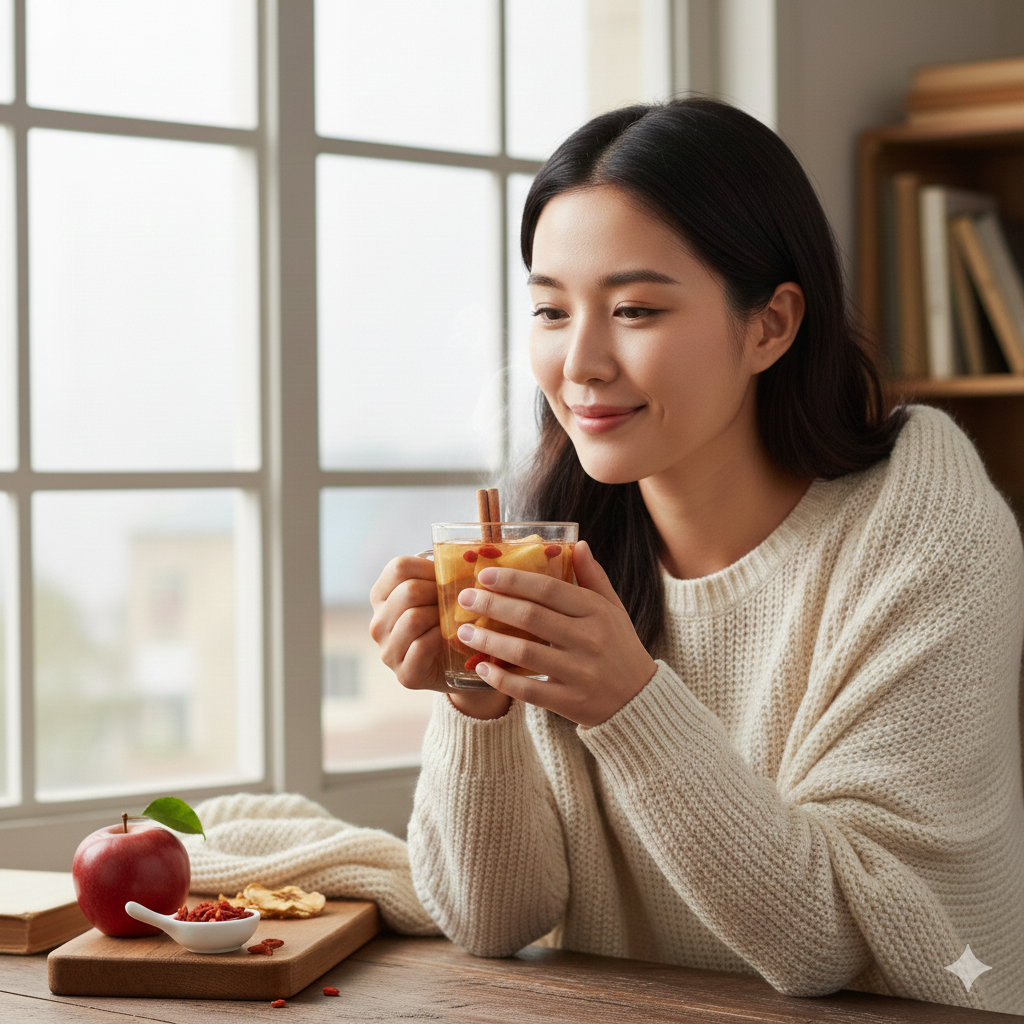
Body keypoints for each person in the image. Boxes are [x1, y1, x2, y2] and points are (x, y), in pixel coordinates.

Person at [369, 98, 1024, 1014]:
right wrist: (478, 705)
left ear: (771, 326)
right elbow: (493, 920)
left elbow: (836, 946)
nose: (581, 362)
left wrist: (628, 703)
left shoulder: (922, 525)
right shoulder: (561, 539)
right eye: (551, 310)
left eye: (635, 308)